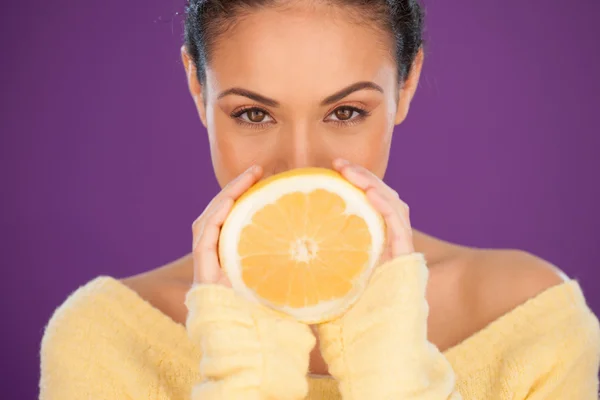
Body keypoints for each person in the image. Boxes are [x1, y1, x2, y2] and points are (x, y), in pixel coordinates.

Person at [39, 0, 600, 398]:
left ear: (406, 84)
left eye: (346, 112)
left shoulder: (528, 319)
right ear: (196, 85)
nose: (300, 166)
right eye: (253, 114)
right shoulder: (107, 338)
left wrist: (393, 368)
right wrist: (243, 374)